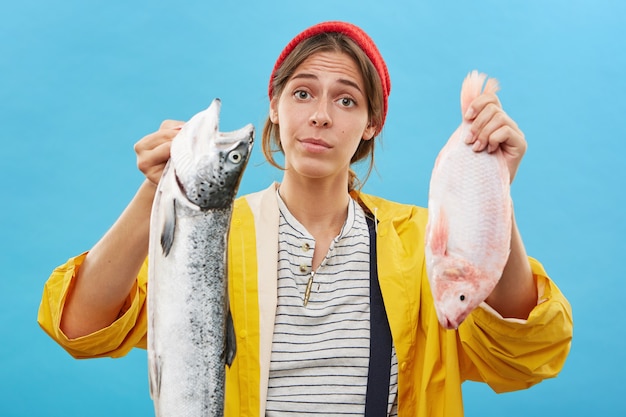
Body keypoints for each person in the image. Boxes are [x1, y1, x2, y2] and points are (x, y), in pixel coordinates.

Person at [38, 21, 573, 417]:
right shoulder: (215, 233)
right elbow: (80, 325)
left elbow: (526, 354)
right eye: (302, 93)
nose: (320, 114)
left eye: (346, 100)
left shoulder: (419, 242)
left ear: (370, 124)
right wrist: (156, 194)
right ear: (274, 106)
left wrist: (492, 192)